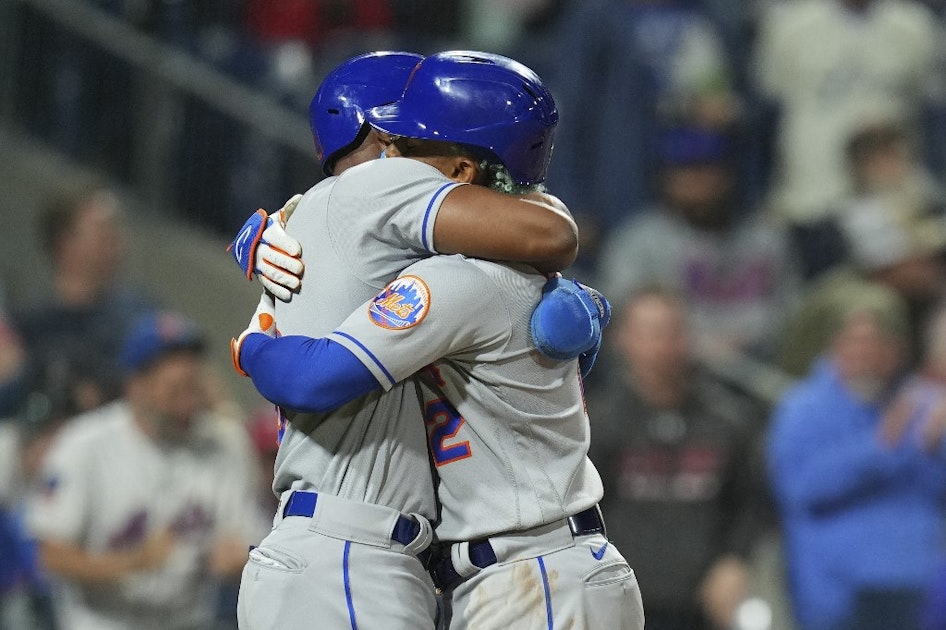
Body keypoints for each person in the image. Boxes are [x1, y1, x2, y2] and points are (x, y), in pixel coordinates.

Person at [231, 50, 644, 629]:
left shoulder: (458, 275)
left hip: (528, 572)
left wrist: (254, 339)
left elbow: (316, 373)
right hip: (434, 566)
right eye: (386, 139)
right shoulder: (442, 256)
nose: (392, 152)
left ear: (460, 172)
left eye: (407, 142)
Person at [23, 311, 260, 630]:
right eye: (175, 390)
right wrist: (132, 562)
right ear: (136, 387)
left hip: (189, 620)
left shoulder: (225, 441)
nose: (187, 403)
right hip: (103, 621)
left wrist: (241, 557)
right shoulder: (84, 445)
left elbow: (248, 538)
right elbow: (50, 554)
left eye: (192, 387)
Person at [587, 285, 769, 630]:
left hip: (705, 604)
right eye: (651, 333)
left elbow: (751, 505)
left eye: (674, 331)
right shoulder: (599, 424)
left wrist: (735, 561)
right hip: (623, 602)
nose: (664, 346)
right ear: (623, 340)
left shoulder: (729, 421)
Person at [767, 285, 946, 630]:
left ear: (899, 348)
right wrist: (882, 448)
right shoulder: (802, 408)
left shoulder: (924, 404)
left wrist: (935, 442)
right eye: (855, 341)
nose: (866, 353)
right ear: (834, 345)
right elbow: (799, 489)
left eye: (878, 341)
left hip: (921, 586)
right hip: (839, 592)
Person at [595, 125, 803, 367]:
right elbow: (621, 327)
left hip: (758, 374)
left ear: (728, 176)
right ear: (667, 179)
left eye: (706, 170)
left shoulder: (767, 238)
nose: (696, 184)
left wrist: (747, 341)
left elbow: (793, 315)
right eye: (685, 171)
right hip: (673, 377)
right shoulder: (638, 242)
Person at [751, 0, 942, 224]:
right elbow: (769, 103)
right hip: (814, 189)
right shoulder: (789, 24)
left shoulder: (913, 23)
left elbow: (928, 101)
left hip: (897, 189)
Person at [14, 183, 157, 424]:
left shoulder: (140, 313)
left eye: (116, 231)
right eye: (103, 232)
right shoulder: (30, 326)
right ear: (66, 245)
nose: (116, 241)